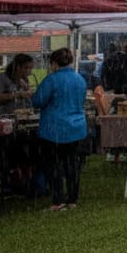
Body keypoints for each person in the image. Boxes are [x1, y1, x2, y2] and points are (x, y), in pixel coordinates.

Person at [30, 48, 87, 211]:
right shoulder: (79, 79)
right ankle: (72, 199)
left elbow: (38, 101)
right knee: (72, 165)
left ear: (54, 63)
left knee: (54, 165)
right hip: (76, 127)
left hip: (54, 128)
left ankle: (58, 200)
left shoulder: (51, 80)